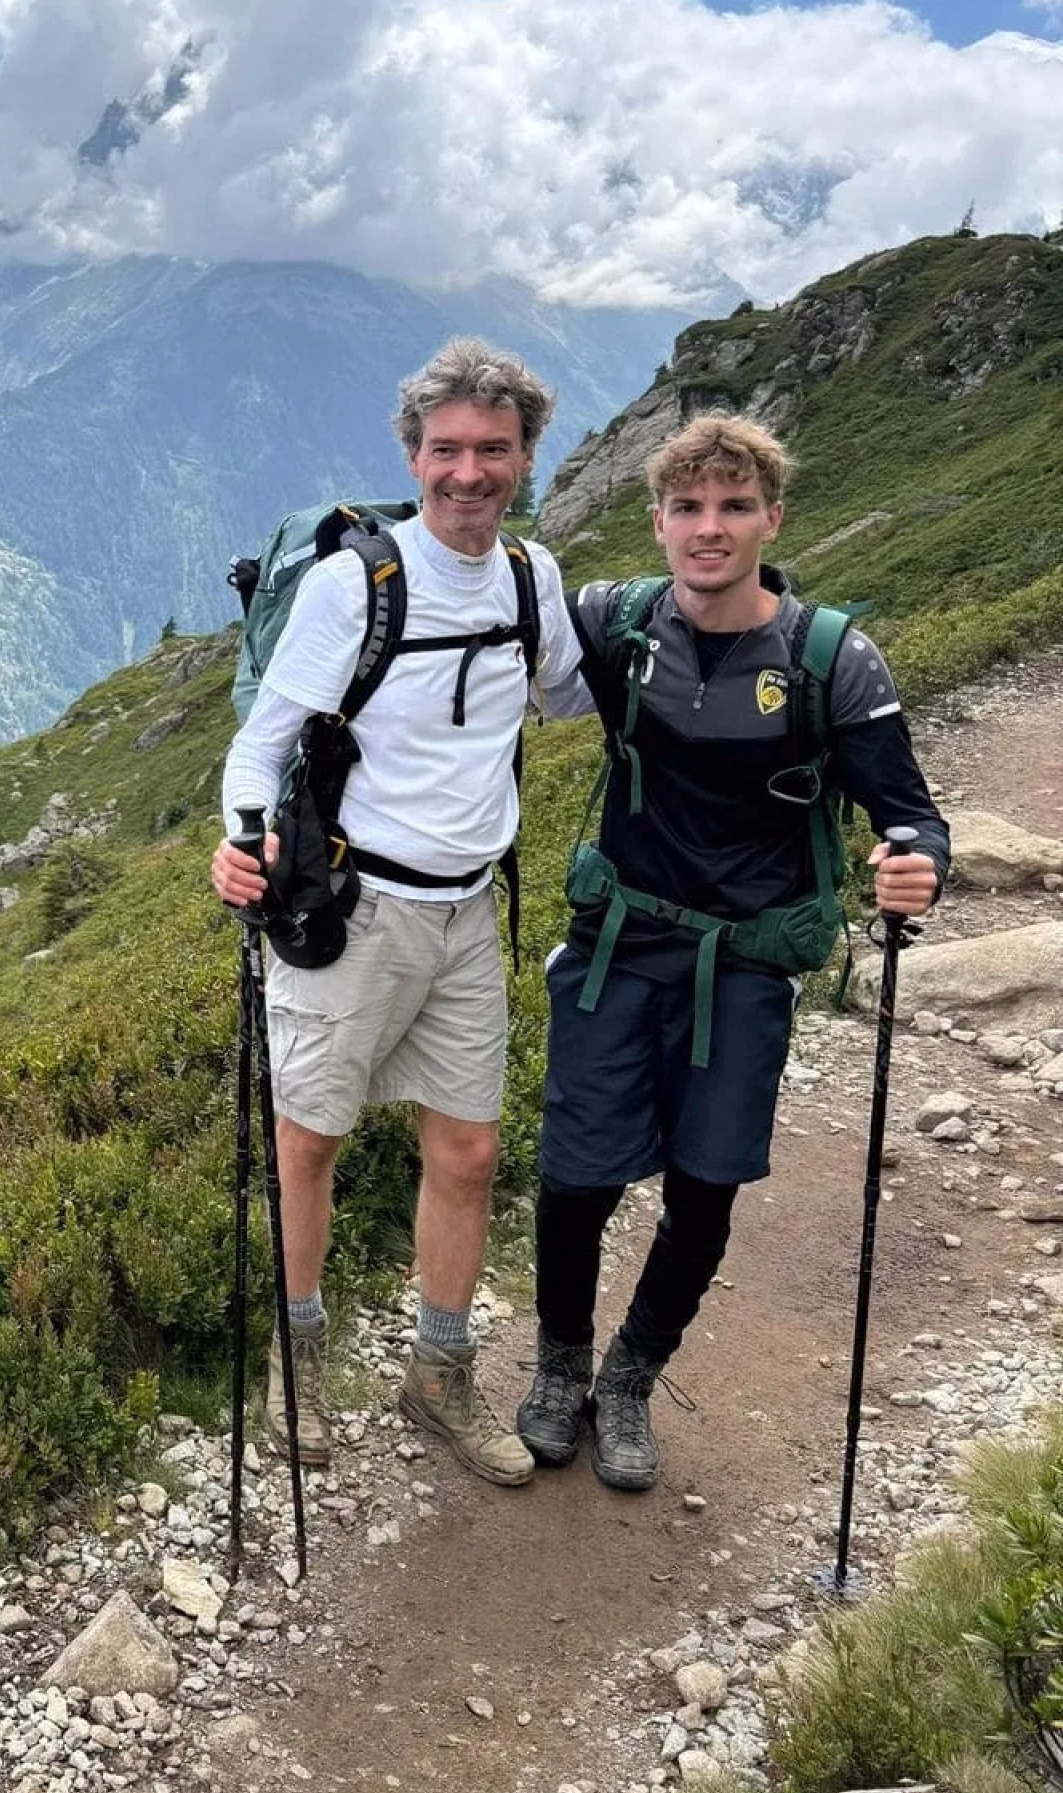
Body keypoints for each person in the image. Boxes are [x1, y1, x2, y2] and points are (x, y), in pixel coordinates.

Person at [520, 413, 949, 1490]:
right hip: (618, 941)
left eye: (735, 506)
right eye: (690, 508)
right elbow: (486, 614)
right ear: (659, 519)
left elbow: (911, 817)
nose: (710, 529)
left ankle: (628, 1378)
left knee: (705, 1188)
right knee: (576, 1179)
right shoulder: (616, 624)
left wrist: (915, 869)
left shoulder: (829, 659)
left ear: (772, 517)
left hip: (748, 964)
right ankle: (559, 1363)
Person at [211, 336, 587, 1483]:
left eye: (493, 449)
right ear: (412, 454)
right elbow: (260, 745)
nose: (467, 472)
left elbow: (570, 689)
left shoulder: (533, 579)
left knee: (468, 1150)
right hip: (354, 911)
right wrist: (241, 840)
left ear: (526, 455)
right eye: (445, 449)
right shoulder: (352, 587)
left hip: (471, 913)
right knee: (309, 1139)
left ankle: (438, 1374)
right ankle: (301, 1357)